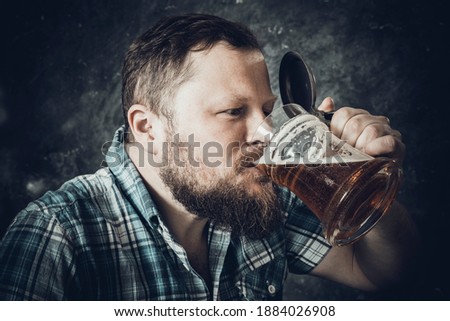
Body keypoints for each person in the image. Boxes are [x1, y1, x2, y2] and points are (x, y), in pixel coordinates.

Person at [0, 13, 418, 300]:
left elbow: (379, 272)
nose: (267, 134)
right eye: (234, 111)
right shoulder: (58, 234)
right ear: (148, 127)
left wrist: (367, 180)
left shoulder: (259, 195)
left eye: (267, 110)